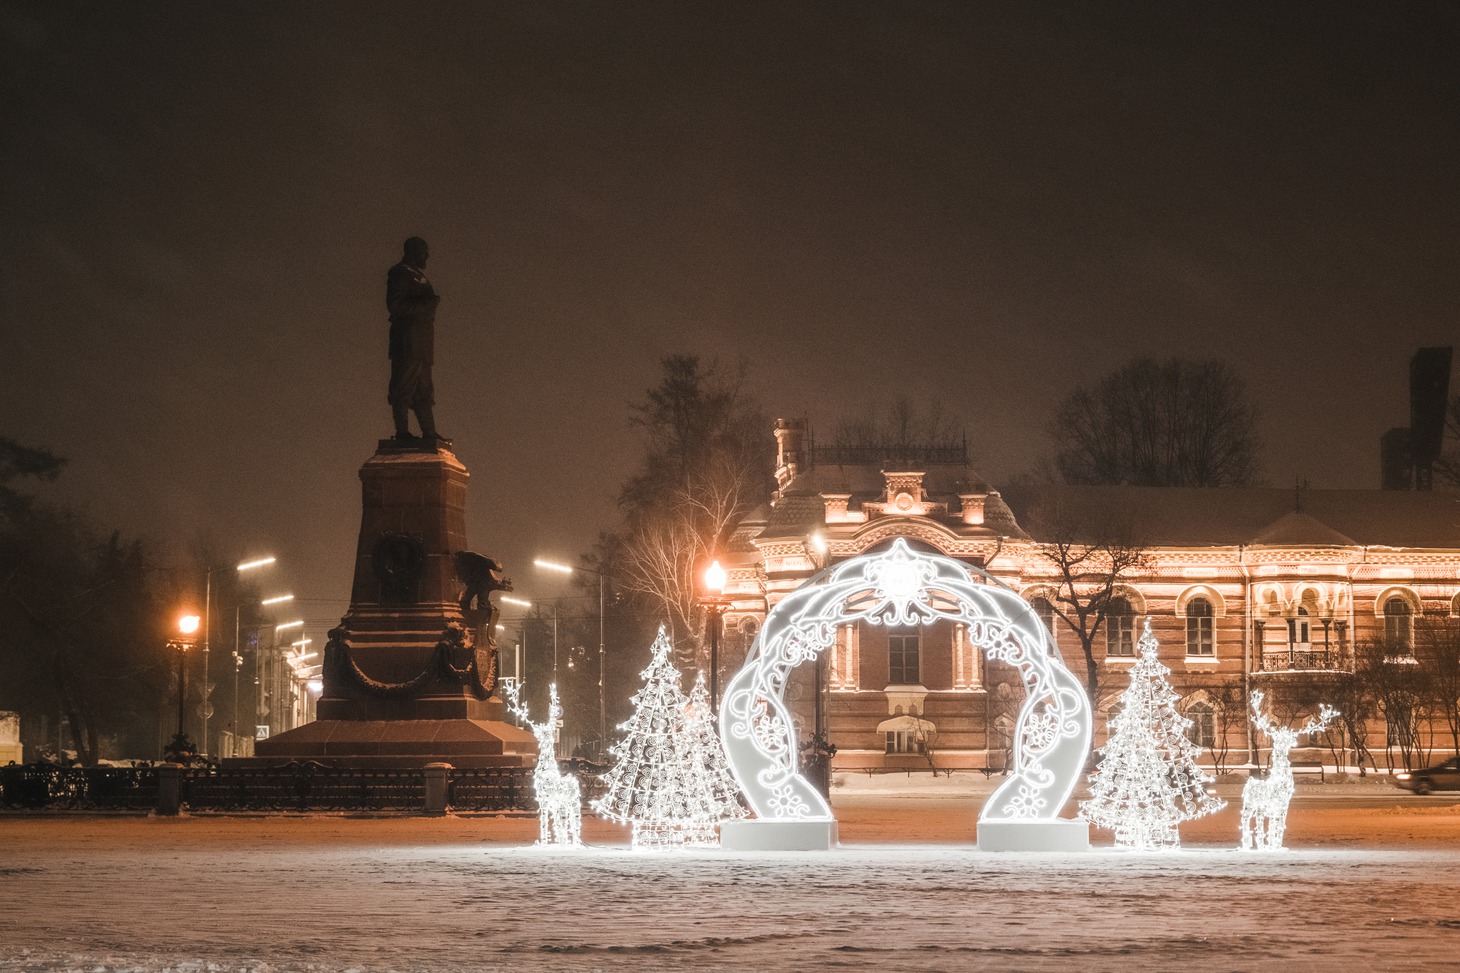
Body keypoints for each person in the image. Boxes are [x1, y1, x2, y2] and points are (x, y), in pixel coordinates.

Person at [385, 237, 445, 441]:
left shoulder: (418, 276)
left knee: (424, 389)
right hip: (406, 340)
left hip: (422, 343)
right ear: (412, 252)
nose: (427, 256)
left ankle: (429, 432)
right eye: (423, 251)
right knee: (403, 386)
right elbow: (395, 305)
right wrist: (426, 306)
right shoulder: (400, 273)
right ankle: (402, 432)